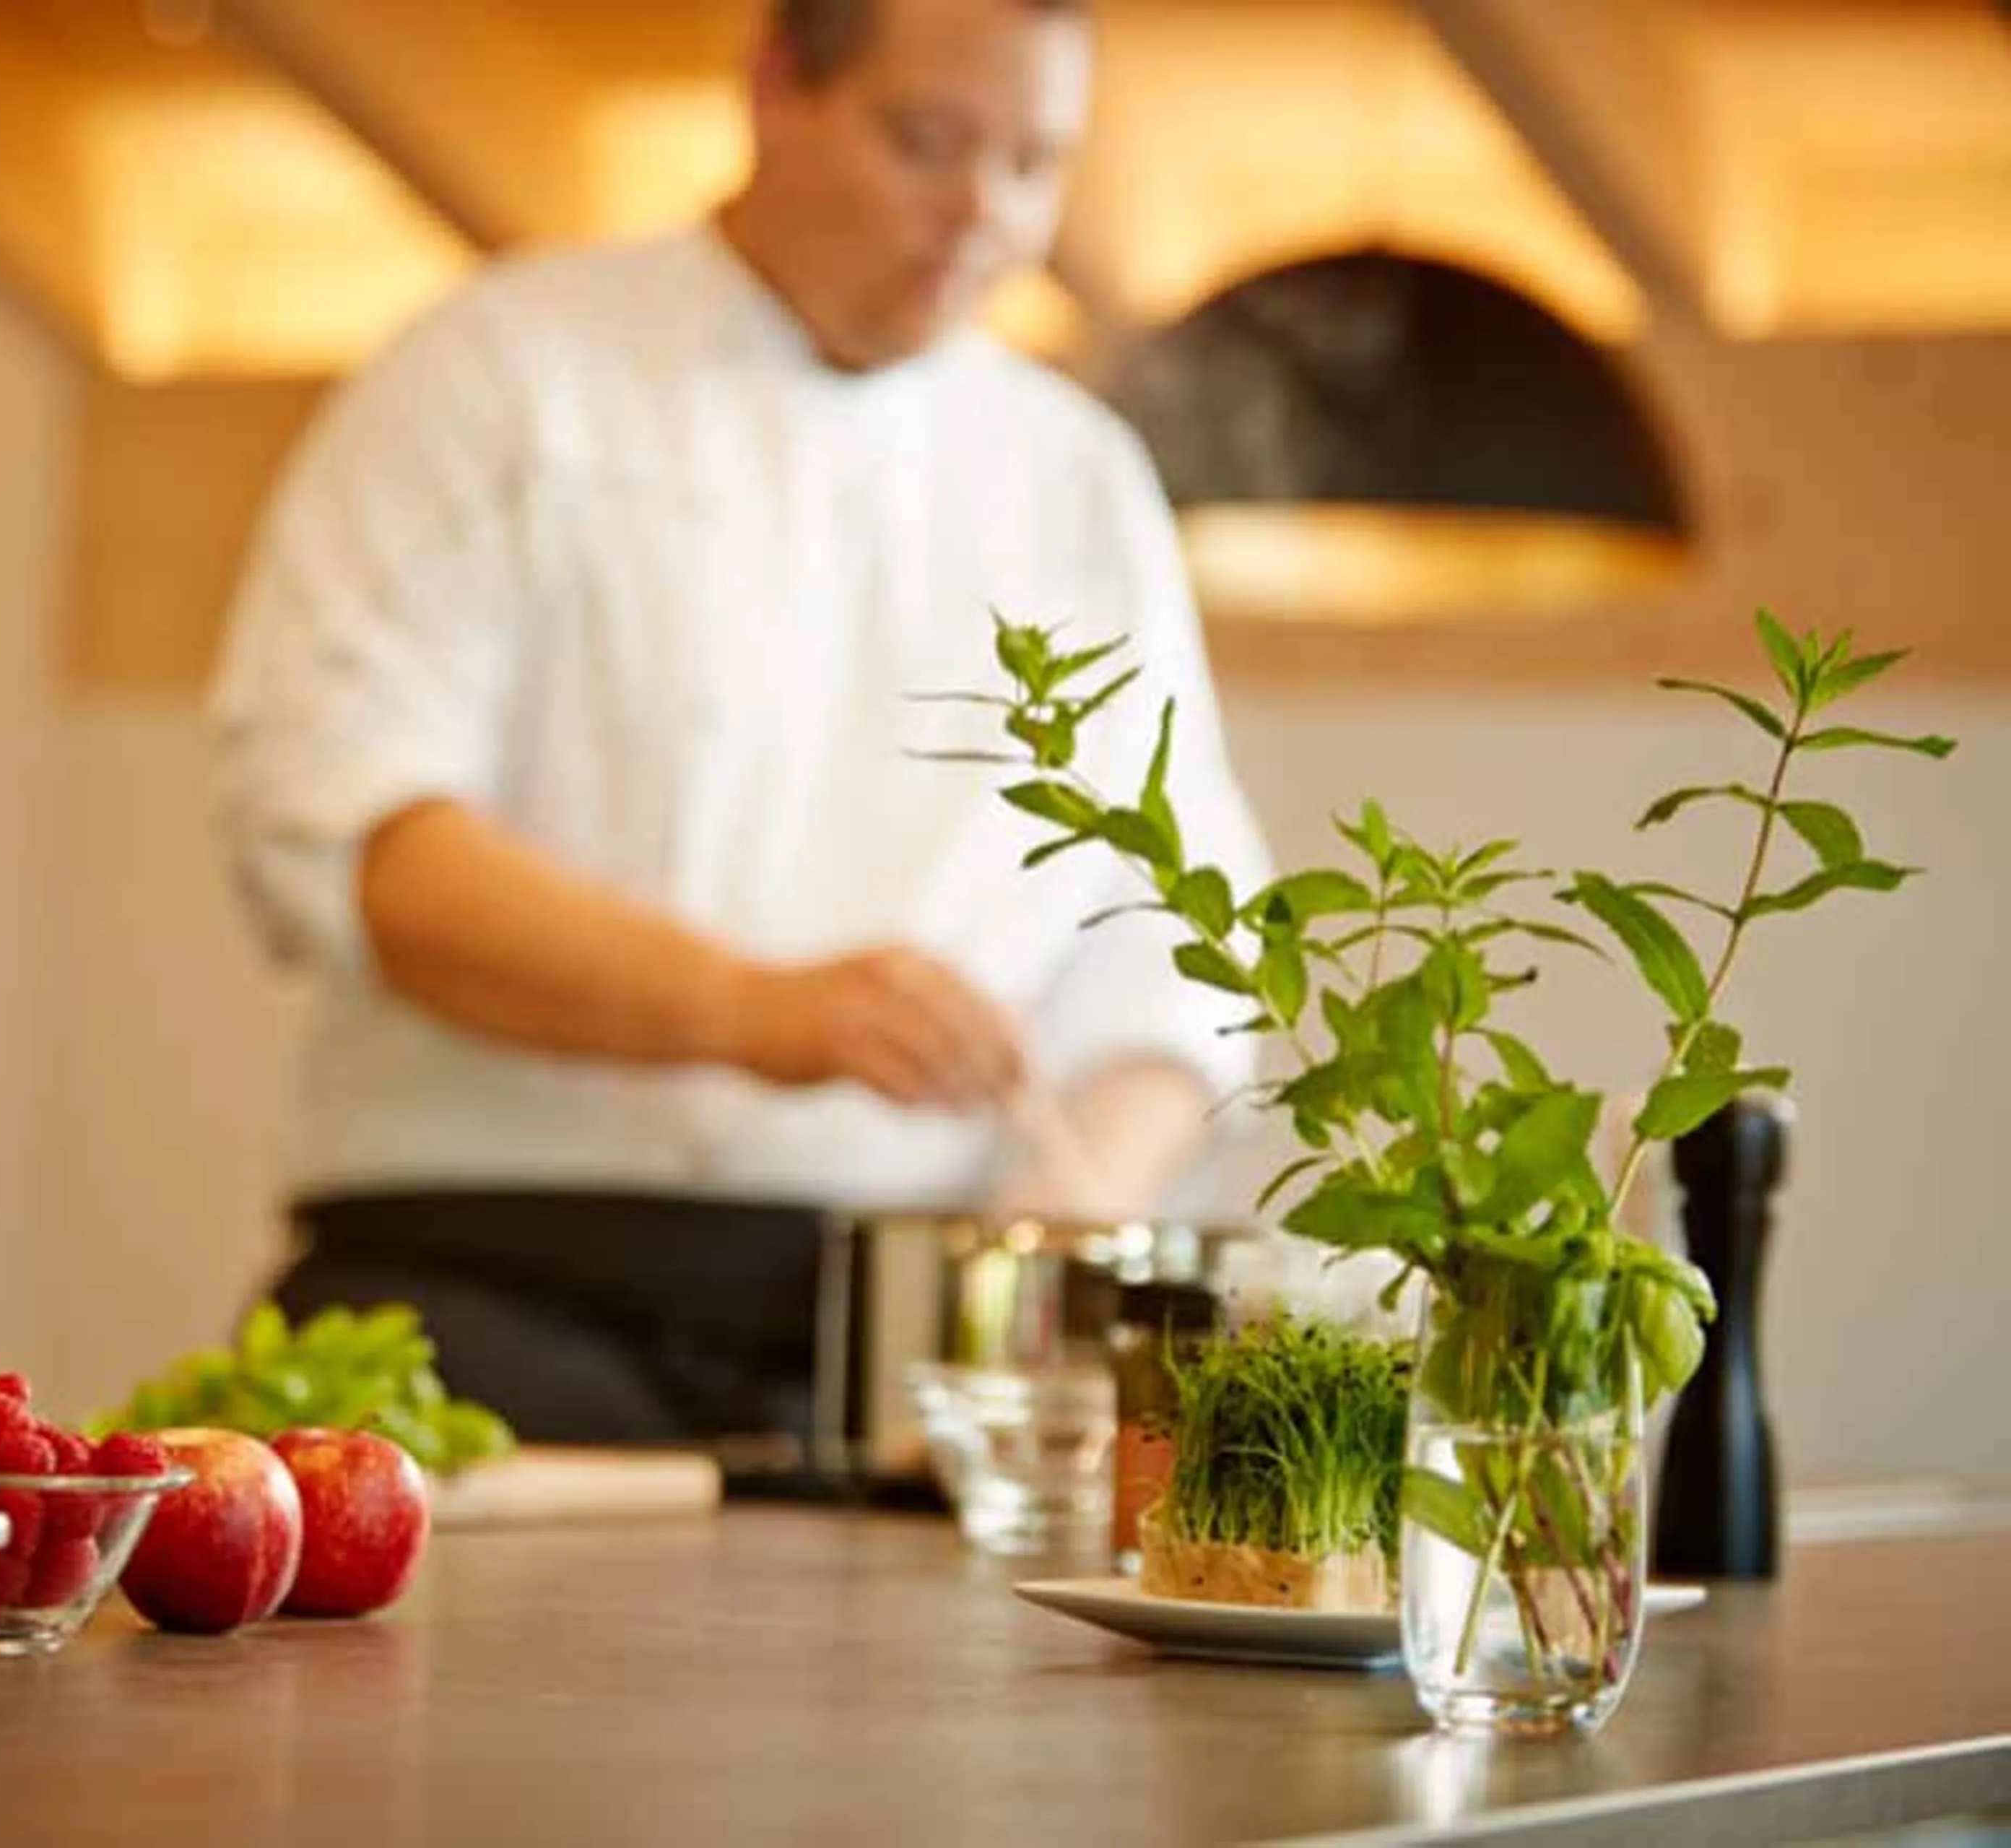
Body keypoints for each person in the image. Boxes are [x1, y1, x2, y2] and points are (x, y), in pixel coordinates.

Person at [207, 0, 1269, 1447]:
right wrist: (763, 1012)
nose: (984, 214)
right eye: (929, 143)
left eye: (1035, 165)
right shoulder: (505, 375)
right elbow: (355, 840)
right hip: (481, 1297)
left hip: (892, 1348)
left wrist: (1072, 1213)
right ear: (775, 88)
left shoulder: (1072, 477)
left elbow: (1178, 941)